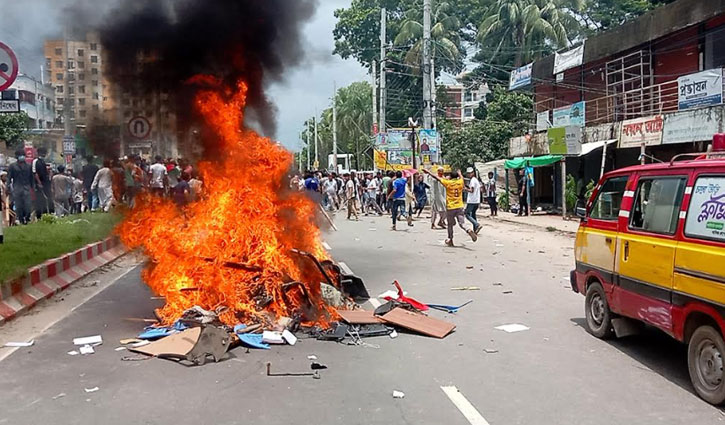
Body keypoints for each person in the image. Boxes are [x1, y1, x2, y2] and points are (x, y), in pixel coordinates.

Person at [424, 168, 478, 246]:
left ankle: (450, 239)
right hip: (459, 206)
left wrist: (428, 171)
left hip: (451, 207)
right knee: (462, 223)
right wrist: (459, 173)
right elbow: (461, 177)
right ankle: (468, 230)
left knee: (450, 225)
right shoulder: (460, 182)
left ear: (450, 176)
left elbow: (437, 178)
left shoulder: (448, 183)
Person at [8, 150, 33, 224]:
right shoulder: (12, 166)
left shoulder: (29, 166)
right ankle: (21, 220)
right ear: (17, 157)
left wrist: (33, 187)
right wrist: (8, 187)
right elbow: (9, 177)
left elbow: (31, 177)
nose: (22, 157)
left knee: (28, 206)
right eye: (20, 155)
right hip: (17, 188)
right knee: (19, 206)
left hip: (26, 188)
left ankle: (27, 218)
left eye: (23, 155)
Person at [32, 147, 52, 217]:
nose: (43, 155)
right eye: (42, 153)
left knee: (47, 199)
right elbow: (35, 173)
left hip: (45, 183)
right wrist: (39, 182)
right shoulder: (35, 161)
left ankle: (46, 213)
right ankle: (39, 215)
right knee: (39, 200)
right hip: (39, 184)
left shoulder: (43, 162)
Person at [464, 167, 483, 234]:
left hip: (472, 200)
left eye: (470, 173)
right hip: (476, 200)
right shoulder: (476, 180)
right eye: (468, 173)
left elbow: (471, 190)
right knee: (473, 214)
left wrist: (465, 189)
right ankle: (475, 229)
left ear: (473, 173)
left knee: (467, 214)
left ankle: (477, 224)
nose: (469, 175)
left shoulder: (472, 180)